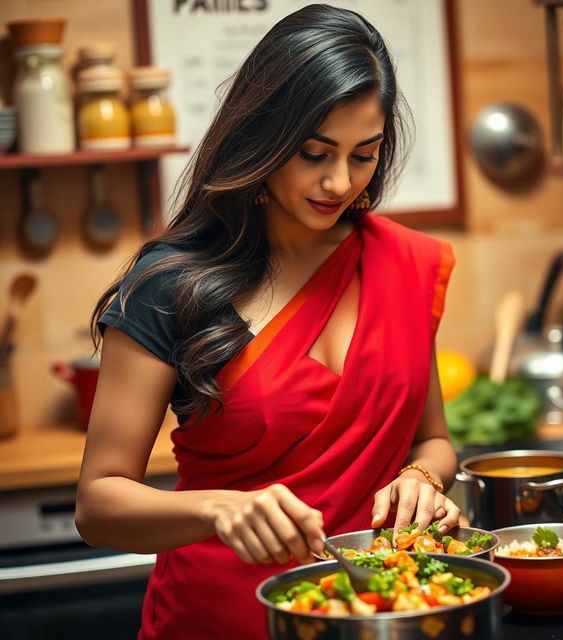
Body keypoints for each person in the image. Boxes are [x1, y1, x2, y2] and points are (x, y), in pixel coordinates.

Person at [75, 4, 461, 639]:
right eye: (314, 153)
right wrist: (223, 509)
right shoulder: (172, 282)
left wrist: (423, 476)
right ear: (264, 139)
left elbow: (433, 439)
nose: (339, 181)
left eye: (364, 155)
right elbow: (99, 504)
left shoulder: (403, 261)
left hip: (381, 613)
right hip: (221, 618)